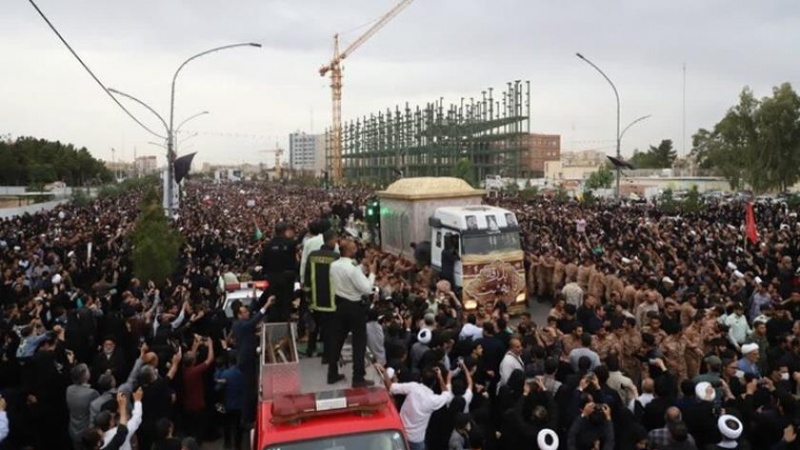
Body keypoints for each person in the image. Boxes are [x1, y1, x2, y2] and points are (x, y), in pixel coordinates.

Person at [328, 239, 377, 387]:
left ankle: (332, 373)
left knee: (337, 340)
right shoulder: (352, 268)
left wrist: (363, 266)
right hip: (355, 307)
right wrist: (372, 273)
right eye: (354, 248)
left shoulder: (334, 265)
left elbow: (352, 276)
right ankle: (358, 377)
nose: (356, 250)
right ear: (349, 251)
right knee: (359, 342)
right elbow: (367, 288)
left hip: (340, 304)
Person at [377, 364, 454, 450]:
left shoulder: (413, 387)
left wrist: (384, 371)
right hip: (416, 440)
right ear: (434, 382)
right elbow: (447, 395)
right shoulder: (433, 400)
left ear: (421, 378)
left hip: (400, 432)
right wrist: (440, 377)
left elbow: (391, 387)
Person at [304, 228, 340, 359]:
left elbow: (307, 279)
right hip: (330, 302)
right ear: (330, 241)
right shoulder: (336, 257)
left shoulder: (312, 256)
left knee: (314, 328)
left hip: (315, 300)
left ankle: (310, 350)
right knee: (329, 330)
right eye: (335, 239)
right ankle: (327, 355)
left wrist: (308, 297)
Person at [260, 222, 298, 322]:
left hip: (273, 278)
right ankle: (286, 321)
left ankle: (274, 321)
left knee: (274, 302)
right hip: (287, 278)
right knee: (286, 302)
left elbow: (262, 262)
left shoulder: (268, 245)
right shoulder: (290, 244)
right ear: (285, 231)